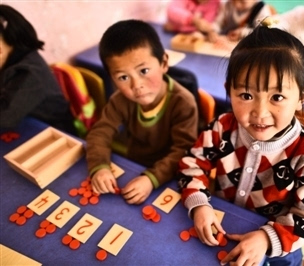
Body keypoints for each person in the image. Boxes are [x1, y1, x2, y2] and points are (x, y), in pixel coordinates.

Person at [177, 18, 304, 265]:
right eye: (246, 95)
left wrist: (266, 238)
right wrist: (198, 203)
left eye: (277, 96)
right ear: (229, 90)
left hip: (279, 244)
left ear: (303, 96)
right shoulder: (222, 126)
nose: (260, 113)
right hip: (222, 225)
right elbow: (192, 163)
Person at [86, 19, 198, 204]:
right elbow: (100, 133)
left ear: (163, 63)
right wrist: (99, 167)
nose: (136, 85)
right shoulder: (119, 101)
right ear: (112, 79)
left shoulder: (183, 103)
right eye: (123, 77)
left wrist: (151, 179)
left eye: (144, 70)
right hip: (133, 166)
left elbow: (183, 152)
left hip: (169, 177)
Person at [0, 5, 74, 133]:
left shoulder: (29, 72)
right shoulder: (10, 59)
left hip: (56, 134)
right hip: (25, 123)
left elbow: (4, 117)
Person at [200, 0, 275, 42]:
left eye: (242, 2)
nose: (236, 5)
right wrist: (212, 31)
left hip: (248, 48)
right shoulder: (227, 5)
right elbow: (218, 24)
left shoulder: (261, 9)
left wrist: (243, 32)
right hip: (226, 45)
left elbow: (265, 33)